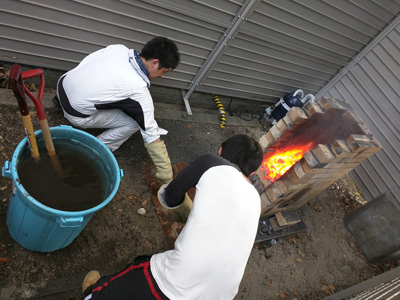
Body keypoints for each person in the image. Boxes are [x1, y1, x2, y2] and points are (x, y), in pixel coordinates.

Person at [82, 134, 264, 300]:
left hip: (174, 282)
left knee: (132, 279)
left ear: (220, 151)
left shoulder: (212, 162)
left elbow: (170, 196)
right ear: (253, 173)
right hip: (222, 295)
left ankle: (92, 293)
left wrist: (184, 208)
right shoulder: (256, 200)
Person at [56, 37, 180, 184]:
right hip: (75, 113)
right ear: (155, 63)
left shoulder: (118, 49)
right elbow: (150, 131)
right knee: (135, 122)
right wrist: (166, 171)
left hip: (62, 86)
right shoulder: (138, 90)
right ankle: (98, 147)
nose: (161, 76)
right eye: (164, 71)